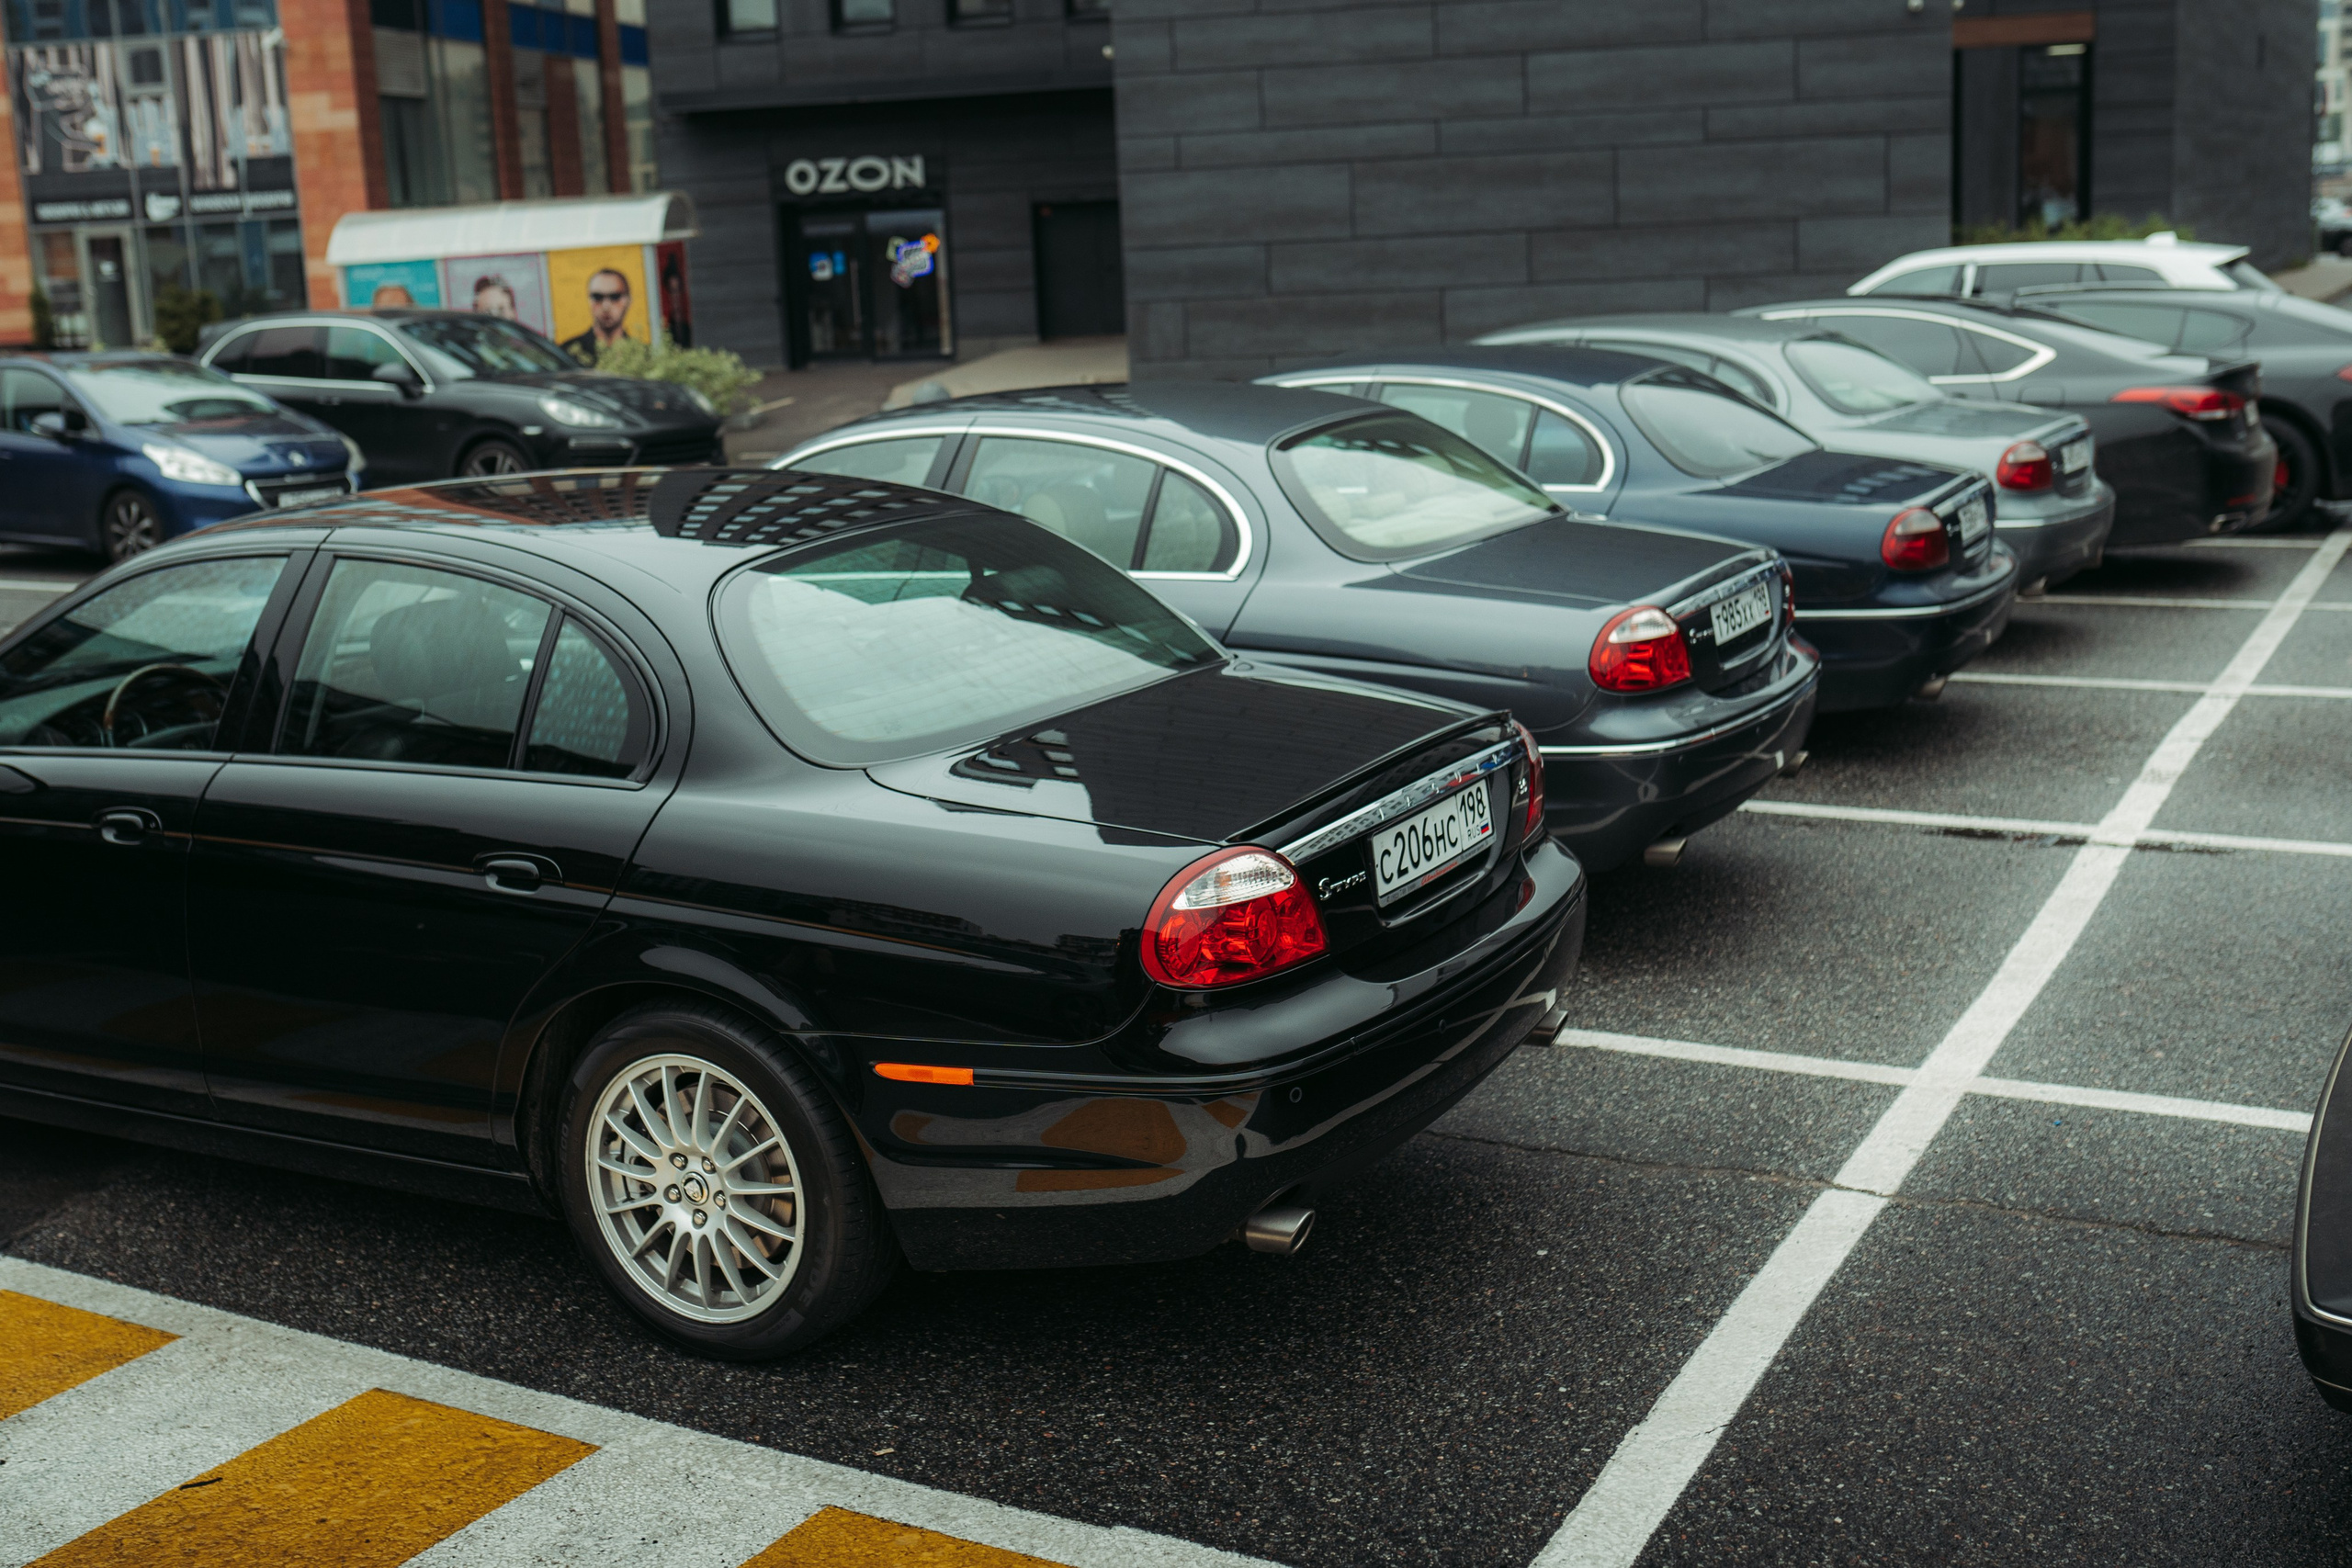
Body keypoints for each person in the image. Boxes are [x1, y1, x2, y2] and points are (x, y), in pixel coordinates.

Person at [560, 268, 634, 363]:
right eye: (598, 297)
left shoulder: (641, 354)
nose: (606, 306)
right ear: (589, 301)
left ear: (629, 301)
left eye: (615, 297)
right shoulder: (569, 352)